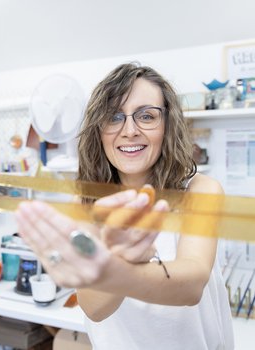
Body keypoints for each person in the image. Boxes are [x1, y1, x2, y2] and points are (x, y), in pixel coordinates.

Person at [15, 63, 234, 350]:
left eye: (146, 116)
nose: (129, 131)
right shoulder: (84, 205)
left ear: (168, 125)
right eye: (114, 117)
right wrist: (121, 262)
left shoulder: (200, 191)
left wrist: (116, 270)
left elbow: (191, 284)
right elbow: (93, 307)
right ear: (98, 130)